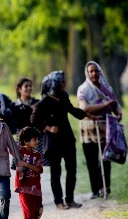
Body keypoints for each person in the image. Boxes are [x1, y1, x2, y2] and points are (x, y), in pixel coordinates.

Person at [31, 71, 94, 209]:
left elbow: (72, 110)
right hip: (53, 143)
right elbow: (34, 119)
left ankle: (70, 199)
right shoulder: (44, 102)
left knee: (72, 169)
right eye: (61, 82)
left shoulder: (64, 97)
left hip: (68, 139)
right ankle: (58, 201)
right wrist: (48, 127)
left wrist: (87, 115)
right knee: (56, 172)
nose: (64, 84)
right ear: (55, 84)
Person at [77, 61, 123, 199]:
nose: (94, 74)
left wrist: (119, 112)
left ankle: (106, 187)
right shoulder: (83, 89)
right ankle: (95, 190)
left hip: (105, 127)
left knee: (106, 158)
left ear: (100, 72)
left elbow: (115, 104)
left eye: (96, 71)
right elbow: (84, 108)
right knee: (91, 160)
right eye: (91, 71)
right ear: (87, 73)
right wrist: (105, 104)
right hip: (88, 129)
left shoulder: (107, 88)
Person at [14, 127, 44, 219]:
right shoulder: (19, 151)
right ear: (26, 140)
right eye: (34, 139)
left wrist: (26, 164)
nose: (37, 141)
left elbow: (38, 169)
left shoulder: (37, 155)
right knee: (28, 211)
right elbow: (9, 145)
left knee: (38, 210)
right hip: (23, 187)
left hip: (36, 188)